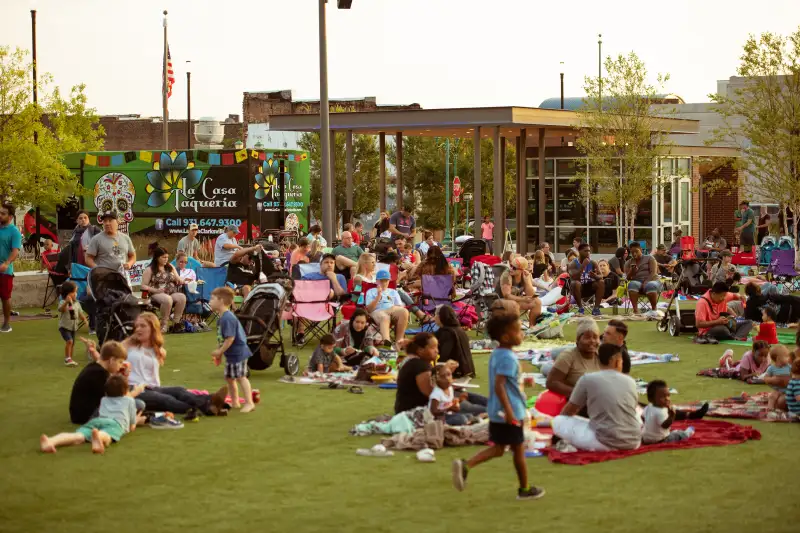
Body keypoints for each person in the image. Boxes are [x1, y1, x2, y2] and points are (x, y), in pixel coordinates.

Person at [452, 301, 545, 501]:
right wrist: (510, 412)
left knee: (499, 448)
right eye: (518, 331)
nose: (522, 334)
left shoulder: (500, 354)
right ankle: (525, 489)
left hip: (497, 411)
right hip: (508, 412)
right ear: (505, 336)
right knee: (518, 450)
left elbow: (506, 381)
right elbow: (499, 385)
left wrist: (523, 380)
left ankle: (466, 465)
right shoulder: (507, 358)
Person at [124, 312, 223, 419]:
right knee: (166, 399)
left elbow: (160, 353)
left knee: (179, 390)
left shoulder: (157, 349)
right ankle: (208, 405)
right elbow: (109, 354)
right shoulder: (128, 345)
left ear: (153, 328)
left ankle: (211, 403)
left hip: (152, 388)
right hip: (133, 389)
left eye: (143, 326)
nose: (138, 329)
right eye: (137, 326)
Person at [551, 343, 641, 452]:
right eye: (621, 361)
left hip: (603, 443)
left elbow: (569, 411)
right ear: (616, 361)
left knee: (558, 420)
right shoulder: (630, 381)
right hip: (634, 442)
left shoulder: (587, 379)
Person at [40, 373, 141, 455]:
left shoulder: (104, 399)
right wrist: (136, 420)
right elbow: (131, 427)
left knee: (78, 436)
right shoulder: (129, 400)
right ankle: (98, 438)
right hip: (115, 423)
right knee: (107, 435)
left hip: (96, 421)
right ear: (125, 391)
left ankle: (51, 441)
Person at [210, 287, 255, 413]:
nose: (210, 302)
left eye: (212, 299)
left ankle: (249, 403)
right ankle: (235, 401)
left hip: (238, 353)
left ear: (221, 301)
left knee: (241, 377)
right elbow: (222, 339)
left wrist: (219, 352)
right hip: (231, 354)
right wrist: (219, 354)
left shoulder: (227, 318)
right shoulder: (221, 318)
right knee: (230, 378)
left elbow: (230, 339)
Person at [69, 340, 130, 424]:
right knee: (134, 403)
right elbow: (117, 400)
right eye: (120, 362)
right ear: (112, 360)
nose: (120, 366)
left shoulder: (95, 368)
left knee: (136, 404)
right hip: (86, 416)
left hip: (86, 412)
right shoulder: (99, 374)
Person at [544, 319, 601, 399]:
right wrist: (580, 394)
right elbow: (551, 382)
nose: (592, 341)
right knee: (547, 366)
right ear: (578, 340)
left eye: (595, 337)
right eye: (587, 337)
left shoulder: (602, 355)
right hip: (578, 404)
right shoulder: (568, 356)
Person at [141, 247, 187, 332]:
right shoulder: (149, 269)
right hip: (156, 293)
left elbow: (178, 278)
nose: (166, 259)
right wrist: (156, 290)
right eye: (163, 257)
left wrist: (180, 280)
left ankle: (175, 324)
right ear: (157, 258)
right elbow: (143, 286)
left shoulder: (170, 267)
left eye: (167, 257)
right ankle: (164, 324)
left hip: (171, 292)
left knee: (182, 297)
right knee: (167, 299)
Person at [641, 380, 695, 444]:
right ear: (651, 399)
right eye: (663, 397)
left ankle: (674, 432)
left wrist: (649, 427)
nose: (667, 399)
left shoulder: (649, 406)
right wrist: (671, 416)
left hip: (645, 439)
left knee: (671, 432)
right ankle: (687, 433)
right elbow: (665, 425)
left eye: (668, 395)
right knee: (678, 435)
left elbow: (642, 417)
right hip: (660, 440)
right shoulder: (660, 411)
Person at [365, 269, 409, 347]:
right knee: (384, 317)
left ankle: (399, 342)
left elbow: (399, 306)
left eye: (386, 281)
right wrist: (378, 296)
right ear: (376, 281)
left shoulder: (393, 292)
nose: (384, 283)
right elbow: (369, 309)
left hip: (391, 310)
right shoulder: (371, 291)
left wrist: (391, 309)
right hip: (377, 312)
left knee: (404, 311)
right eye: (382, 281)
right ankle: (387, 342)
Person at [495, 256, 541, 322]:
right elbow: (506, 295)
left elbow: (531, 294)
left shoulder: (524, 275)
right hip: (501, 300)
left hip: (515, 301)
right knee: (513, 305)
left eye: (514, 268)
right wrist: (523, 299)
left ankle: (532, 327)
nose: (510, 268)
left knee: (537, 302)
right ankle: (513, 329)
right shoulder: (506, 275)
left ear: (521, 270)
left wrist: (527, 281)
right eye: (510, 265)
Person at [434, 305, 476, 378]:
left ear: (439, 316)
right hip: (468, 370)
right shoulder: (460, 330)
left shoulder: (447, 333)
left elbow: (444, 356)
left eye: (435, 315)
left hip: (457, 372)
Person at [567, 243, 604, 316]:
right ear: (579, 251)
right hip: (578, 290)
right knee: (575, 283)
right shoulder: (573, 264)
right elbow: (574, 277)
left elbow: (601, 276)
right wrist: (583, 266)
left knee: (601, 282)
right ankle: (581, 308)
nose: (588, 253)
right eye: (585, 251)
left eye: (589, 251)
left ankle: (596, 309)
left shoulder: (593, 263)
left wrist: (595, 276)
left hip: (589, 288)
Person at [625, 241, 661, 316]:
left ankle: (654, 309)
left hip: (652, 280)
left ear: (641, 250)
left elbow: (653, 273)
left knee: (650, 285)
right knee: (632, 284)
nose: (634, 254)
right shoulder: (628, 262)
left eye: (636, 251)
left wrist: (646, 282)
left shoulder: (650, 258)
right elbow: (627, 278)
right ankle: (636, 311)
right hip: (638, 282)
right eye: (632, 252)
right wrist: (632, 271)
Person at [58, 281, 88, 367]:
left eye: (76, 292)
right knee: (69, 341)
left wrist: (85, 319)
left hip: (73, 327)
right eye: (74, 292)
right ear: (68, 293)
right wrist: (66, 302)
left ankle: (70, 357)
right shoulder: (62, 302)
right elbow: (61, 310)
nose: (76, 294)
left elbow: (80, 313)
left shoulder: (77, 303)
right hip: (64, 326)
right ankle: (68, 359)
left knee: (72, 343)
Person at [765, 345, 791, 413]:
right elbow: (765, 378)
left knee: (784, 399)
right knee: (772, 396)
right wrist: (772, 380)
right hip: (777, 389)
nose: (789, 358)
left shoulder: (789, 367)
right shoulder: (771, 368)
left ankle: (780, 408)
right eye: (786, 356)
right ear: (778, 358)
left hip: (787, 390)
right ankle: (770, 409)